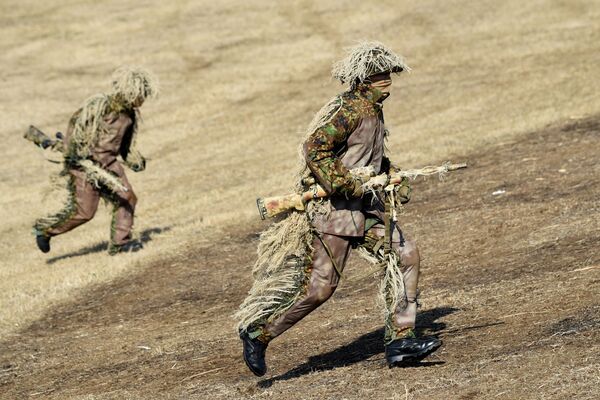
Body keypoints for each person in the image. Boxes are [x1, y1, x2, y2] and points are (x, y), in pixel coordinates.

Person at [235, 42, 441, 376]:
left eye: (388, 73)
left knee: (406, 254)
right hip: (334, 214)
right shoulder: (350, 108)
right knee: (319, 289)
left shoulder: (374, 109)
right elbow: (315, 148)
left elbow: (369, 156)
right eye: (379, 75)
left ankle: (402, 340)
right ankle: (259, 333)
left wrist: (392, 176)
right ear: (363, 79)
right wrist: (344, 185)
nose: (387, 79)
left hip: (366, 210)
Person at [33, 66, 158, 255]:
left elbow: (124, 144)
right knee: (85, 212)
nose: (143, 99)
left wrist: (133, 160)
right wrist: (73, 152)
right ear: (131, 91)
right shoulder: (101, 107)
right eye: (142, 94)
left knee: (127, 198)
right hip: (85, 166)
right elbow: (76, 124)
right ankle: (45, 231)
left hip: (110, 165)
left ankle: (120, 245)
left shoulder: (130, 116)